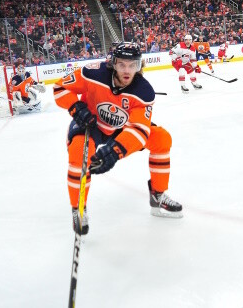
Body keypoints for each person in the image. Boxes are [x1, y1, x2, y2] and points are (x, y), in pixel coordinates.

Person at [53, 42, 182, 236]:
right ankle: (78, 208)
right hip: (91, 123)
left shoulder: (143, 91)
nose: (127, 70)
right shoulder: (92, 73)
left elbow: (139, 130)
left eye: (133, 65)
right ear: (113, 63)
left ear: (140, 66)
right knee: (78, 153)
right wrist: (75, 107)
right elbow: (60, 88)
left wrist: (115, 152)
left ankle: (158, 195)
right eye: (122, 64)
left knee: (162, 139)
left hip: (121, 128)